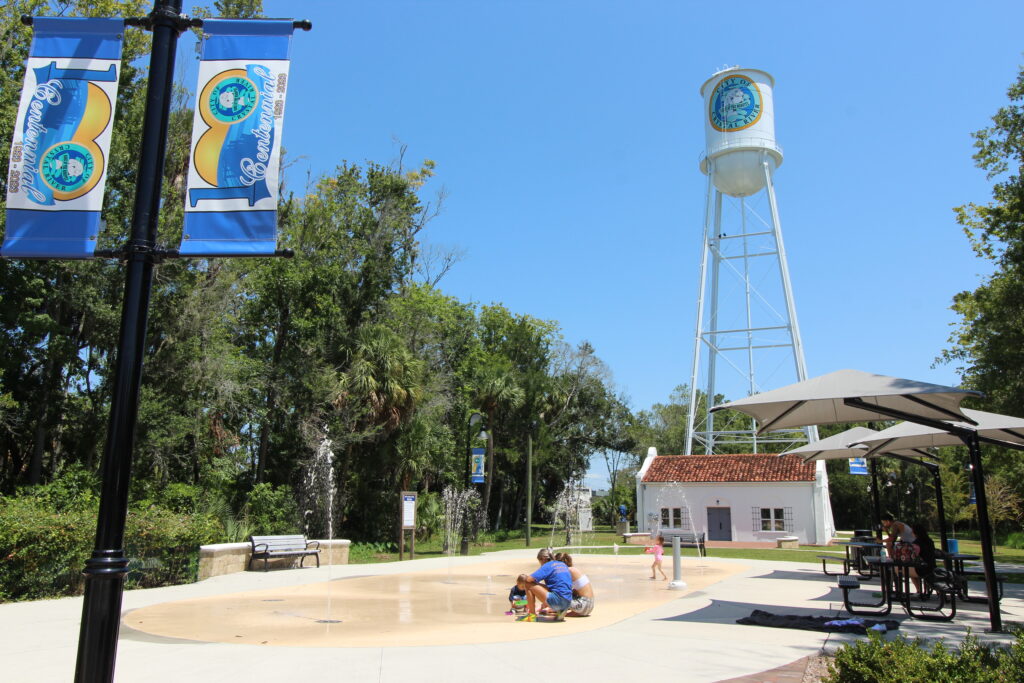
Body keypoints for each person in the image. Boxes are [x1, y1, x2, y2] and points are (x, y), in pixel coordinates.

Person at [516, 548, 573, 622]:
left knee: (527, 584)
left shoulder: (547, 565)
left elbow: (528, 579)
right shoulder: (562, 564)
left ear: (543, 559)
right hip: (568, 602)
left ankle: (532, 616)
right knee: (553, 588)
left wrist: (535, 584)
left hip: (558, 601)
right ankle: (561, 612)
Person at [555, 552, 595, 617]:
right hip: (589, 606)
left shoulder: (568, 571)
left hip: (583, 606)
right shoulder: (574, 570)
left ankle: (560, 614)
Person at [908, 520, 937, 598]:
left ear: (915, 532)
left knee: (907, 570)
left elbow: (913, 557)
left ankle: (919, 590)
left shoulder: (916, 543)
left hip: (922, 568)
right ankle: (925, 590)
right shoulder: (930, 541)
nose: (911, 533)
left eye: (912, 531)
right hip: (932, 566)